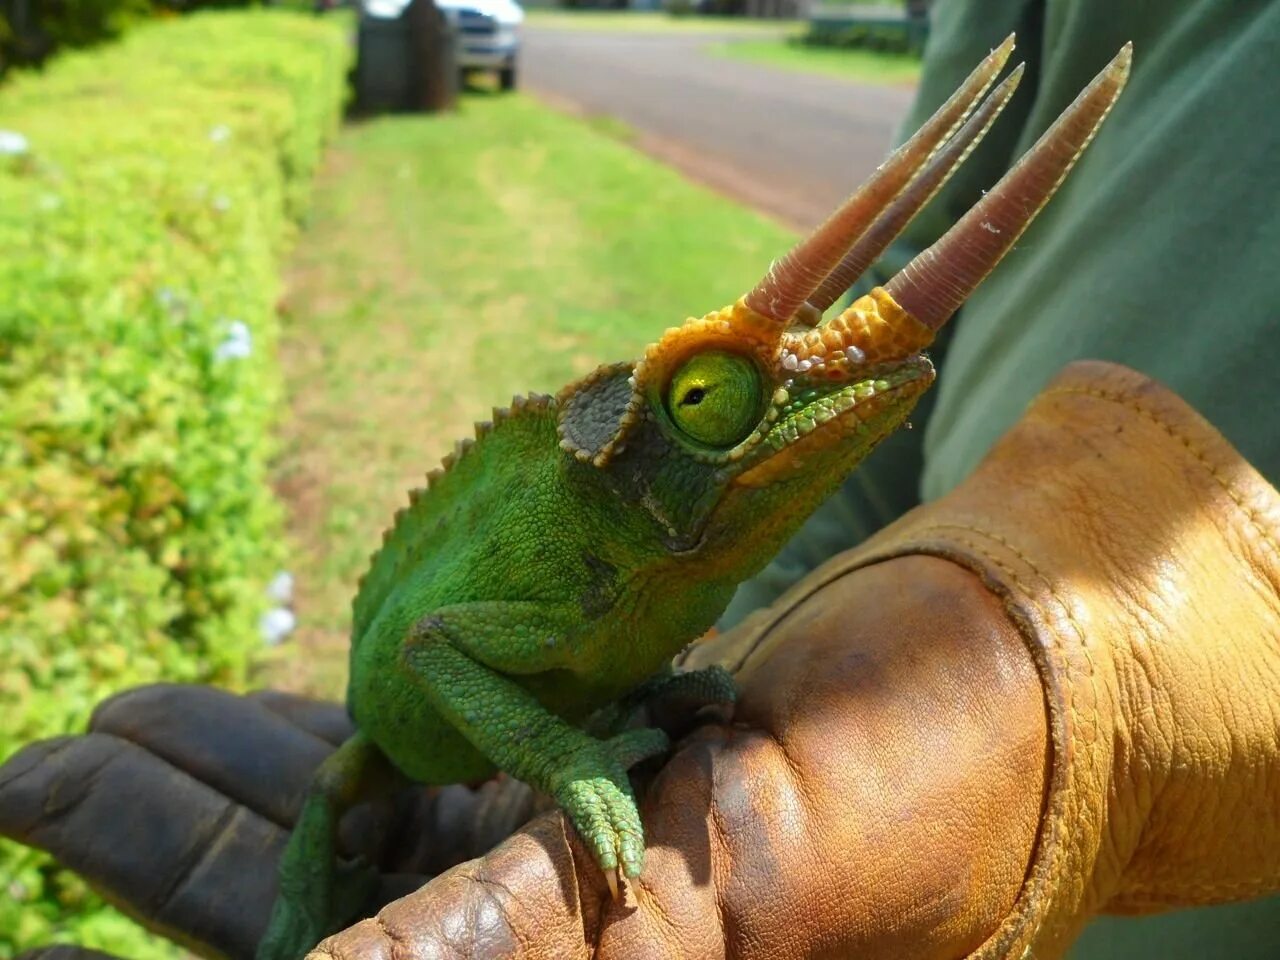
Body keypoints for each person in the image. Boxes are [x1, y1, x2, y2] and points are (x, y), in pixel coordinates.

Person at [2, 0, 1277, 957]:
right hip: (400, 728)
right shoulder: (597, 547)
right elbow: (438, 649)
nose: (775, 413)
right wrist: (570, 762)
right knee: (334, 811)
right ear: (649, 468)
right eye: (712, 409)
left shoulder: (666, 535)